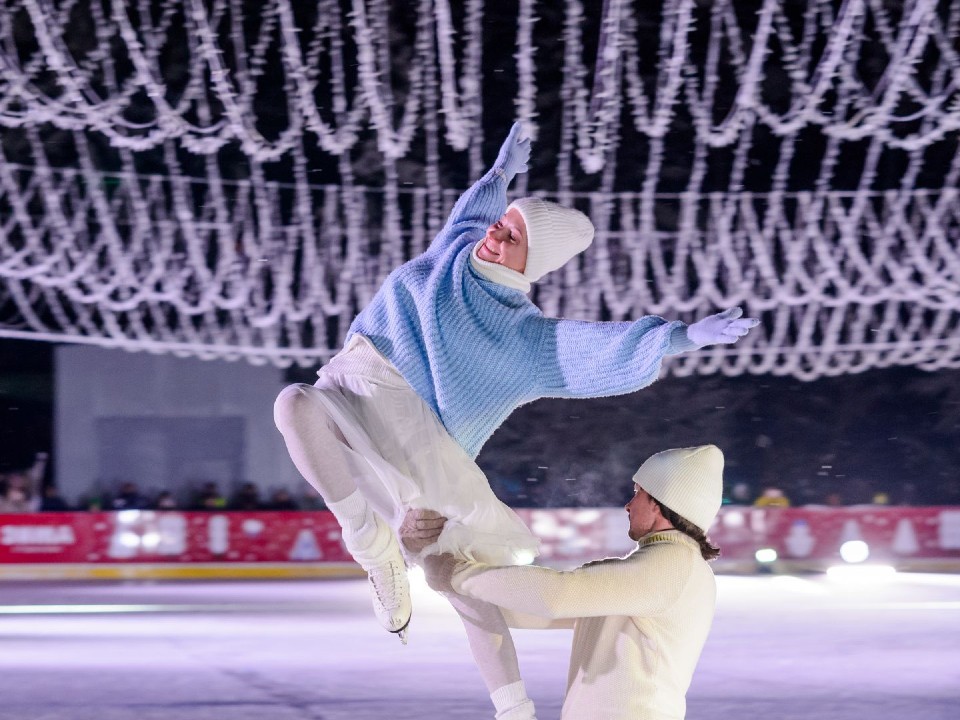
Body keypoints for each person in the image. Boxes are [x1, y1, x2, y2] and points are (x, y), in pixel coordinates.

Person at [273, 123, 757, 719]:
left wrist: (681, 337)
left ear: (531, 263)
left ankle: (513, 709)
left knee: (462, 574)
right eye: (501, 225)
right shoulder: (452, 251)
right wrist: (499, 176)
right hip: (354, 387)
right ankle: (370, 545)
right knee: (292, 404)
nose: (494, 239)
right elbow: (470, 214)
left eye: (510, 239)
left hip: (420, 441)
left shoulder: (524, 339)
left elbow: (593, 348)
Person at [414, 445, 725, 720]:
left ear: (659, 502)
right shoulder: (657, 573)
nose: (629, 505)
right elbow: (529, 609)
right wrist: (452, 570)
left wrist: (458, 574)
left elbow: (555, 596)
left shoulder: (673, 565)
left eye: (637, 493)